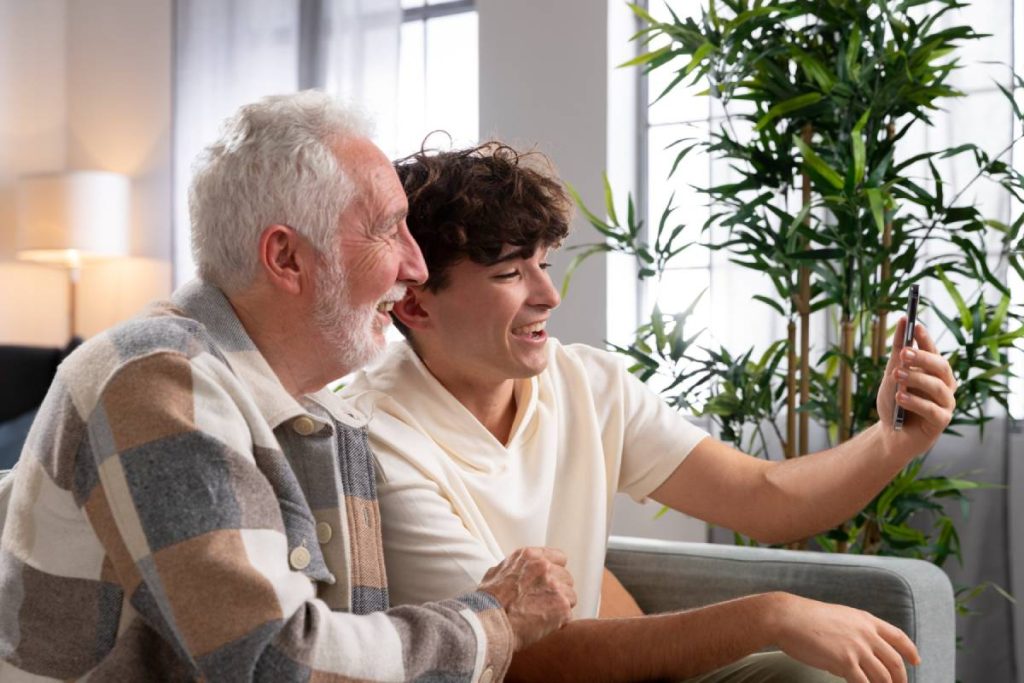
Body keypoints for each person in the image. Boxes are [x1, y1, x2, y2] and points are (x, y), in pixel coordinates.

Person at [0, 95, 577, 681]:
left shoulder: (319, 411)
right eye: (387, 229)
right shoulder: (156, 380)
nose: (416, 266)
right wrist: (493, 619)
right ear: (286, 257)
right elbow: (275, 662)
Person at [341, 142, 959, 683]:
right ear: (415, 307)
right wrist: (766, 614)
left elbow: (766, 497)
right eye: (509, 273)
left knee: (819, 676)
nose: (549, 295)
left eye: (544, 263)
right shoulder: (371, 437)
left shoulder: (587, 381)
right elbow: (522, 658)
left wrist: (891, 441)